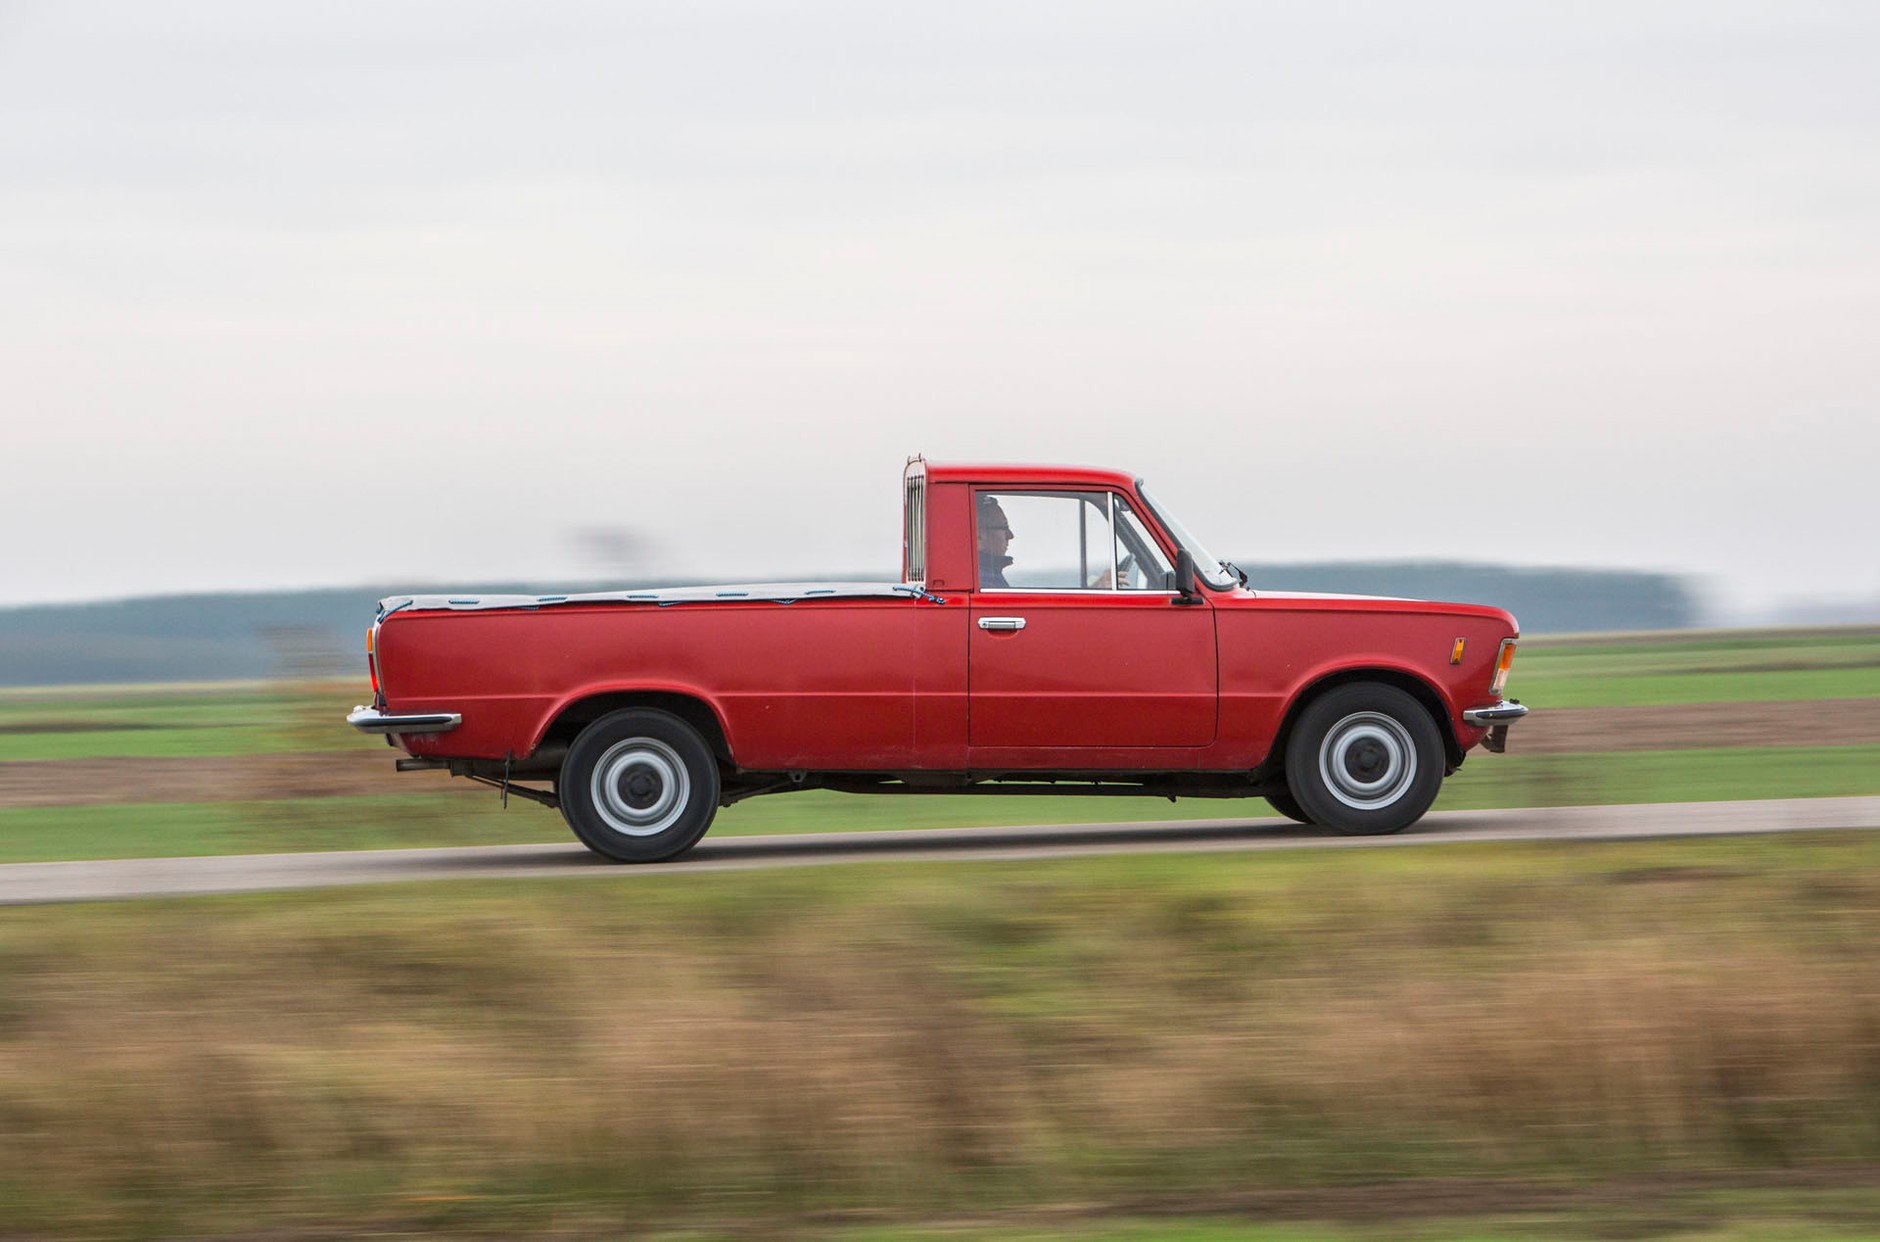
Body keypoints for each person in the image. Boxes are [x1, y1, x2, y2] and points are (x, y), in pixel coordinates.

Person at [977, 494, 1014, 588]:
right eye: (1004, 527)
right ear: (979, 536)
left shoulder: (988, 574)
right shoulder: (985, 583)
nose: (1010, 536)